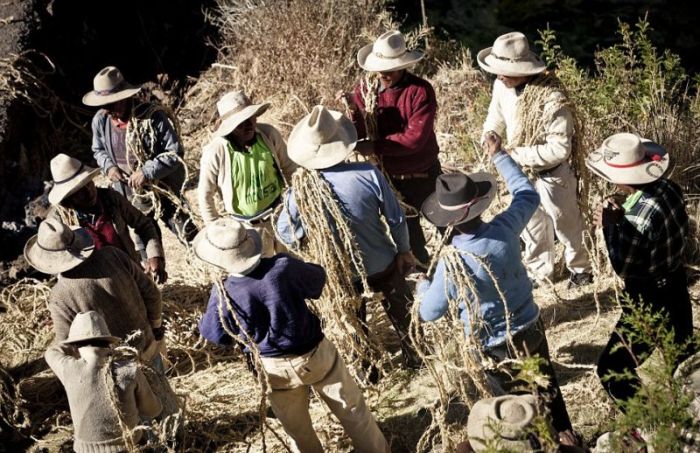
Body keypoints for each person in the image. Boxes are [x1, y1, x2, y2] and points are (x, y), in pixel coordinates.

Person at [416, 134, 577, 442]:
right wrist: (500, 155)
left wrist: (423, 286)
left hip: (492, 346)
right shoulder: (504, 229)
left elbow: (428, 312)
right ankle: (569, 443)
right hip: (530, 327)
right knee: (548, 393)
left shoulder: (453, 262)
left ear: (448, 220)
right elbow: (527, 196)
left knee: (513, 410)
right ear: (479, 204)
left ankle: (534, 447)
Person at [195, 218, 390, 453]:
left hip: (273, 369)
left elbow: (215, 335)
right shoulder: (281, 267)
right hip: (315, 355)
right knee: (353, 411)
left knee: (297, 432)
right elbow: (317, 279)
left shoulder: (223, 292)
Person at [276, 105, 420, 369]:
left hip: (341, 272)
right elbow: (396, 218)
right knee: (401, 312)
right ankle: (415, 357)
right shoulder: (368, 173)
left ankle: (368, 370)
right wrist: (405, 251)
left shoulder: (301, 191)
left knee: (355, 323)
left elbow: (284, 230)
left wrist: (314, 240)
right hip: (382, 263)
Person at [586, 132, 693, 407]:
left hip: (650, 300)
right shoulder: (670, 189)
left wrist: (610, 227)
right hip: (676, 287)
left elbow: (624, 265)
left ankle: (651, 422)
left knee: (613, 371)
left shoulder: (635, 219)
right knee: (684, 364)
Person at [478, 32, 592, 288]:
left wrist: (511, 155)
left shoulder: (551, 98)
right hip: (520, 172)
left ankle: (580, 269)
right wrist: (489, 134)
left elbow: (560, 148)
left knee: (566, 222)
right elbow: (494, 116)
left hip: (552, 174)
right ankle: (541, 273)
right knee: (531, 224)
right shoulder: (501, 86)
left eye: (503, 70)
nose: (499, 75)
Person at [339, 30, 441, 267]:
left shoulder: (420, 91)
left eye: (391, 68)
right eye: (381, 68)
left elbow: (414, 139)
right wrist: (354, 110)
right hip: (390, 178)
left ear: (403, 65)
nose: (384, 74)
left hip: (424, 174)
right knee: (410, 236)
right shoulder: (366, 90)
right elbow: (359, 133)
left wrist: (375, 146)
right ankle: (424, 276)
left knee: (448, 225)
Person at [83, 65, 198, 246]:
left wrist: (147, 172)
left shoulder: (152, 116)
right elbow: (98, 150)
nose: (108, 109)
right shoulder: (101, 120)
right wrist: (110, 167)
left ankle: (202, 255)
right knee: (144, 236)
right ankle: (153, 269)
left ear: (125, 97)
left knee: (184, 227)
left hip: (162, 186)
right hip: (130, 193)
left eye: (112, 104)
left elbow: (174, 152)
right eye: (103, 105)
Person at [24, 218, 164, 365]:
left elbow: (68, 345)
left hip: (115, 367)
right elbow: (152, 293)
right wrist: (156, 326)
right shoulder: (113, 255)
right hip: (149, 347)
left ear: (48, 261)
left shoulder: (60, 296)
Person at [45, 311, 162, 453]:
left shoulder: (69, 369)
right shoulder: (128, 369)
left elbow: (50, 353)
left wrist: (72, 343)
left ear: (75, 347)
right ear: (109, 343)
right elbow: (153, 410)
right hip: (130, 446)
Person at [198, 90, 296, 256]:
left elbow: (290, 169)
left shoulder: (268, 135)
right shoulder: (216, 152)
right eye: (241, 123)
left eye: (250, 118)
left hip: (281, 215)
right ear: (229, 128)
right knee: (264, 275)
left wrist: (296, 204)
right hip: (248, 229)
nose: (249, 125)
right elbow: (205, 195)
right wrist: (218, 232)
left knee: (292, 264)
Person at [46, 153, 167, 283]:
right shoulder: (60, 221)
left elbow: (143, 225)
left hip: (129, 275)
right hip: (96, 287)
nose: (89, 192)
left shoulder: (110, 199)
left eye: (88, 183)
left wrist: (154, 256)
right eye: (79, 191)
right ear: (68, 197)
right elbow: (55, 262)